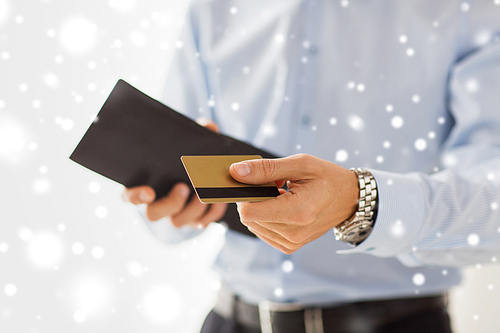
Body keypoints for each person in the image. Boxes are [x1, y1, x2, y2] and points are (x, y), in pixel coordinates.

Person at [122, 0, 500, 332]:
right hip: (231, 319)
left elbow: (493, 207)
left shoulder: (465, 8)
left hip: (394, 324)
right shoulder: (214, 7)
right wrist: (176, 205)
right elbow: (169, 184)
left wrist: (362, 202)